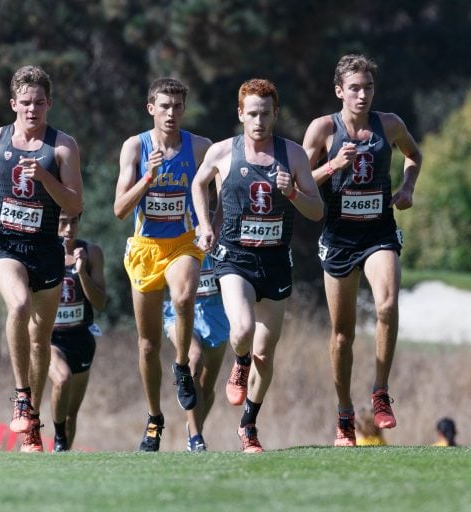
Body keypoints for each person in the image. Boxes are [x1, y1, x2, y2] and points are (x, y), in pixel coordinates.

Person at [0, 65, 82, 452]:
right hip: (2, 243)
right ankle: (21, 395)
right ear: (13, 104)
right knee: (18, 304)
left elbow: (75, 203)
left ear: (49, 104)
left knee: (40, 341)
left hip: (46, 248)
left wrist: (45, 178)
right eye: (25, 103)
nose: (32, 109)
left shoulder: (62, 146)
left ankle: (33, 421)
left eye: (39, 103)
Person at [192, 78, 324, 453]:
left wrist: (293, 192)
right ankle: (239, 361)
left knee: (266, 355)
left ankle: (248, 425)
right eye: (252, 114)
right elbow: (198, 185)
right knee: (243, 329)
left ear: (275, 114)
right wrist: (204, 225)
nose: (259, 121)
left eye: (266, 114)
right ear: (240, 114)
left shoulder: (294, 155)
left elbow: (317, 210)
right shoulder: (222, 152)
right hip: (234, 257)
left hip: (276, 262)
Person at [302, 54, 422, 447]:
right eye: (354, 88)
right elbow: (302, 183)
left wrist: (406, 188)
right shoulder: (323, 129)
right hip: (338, 240)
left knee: (387, 305)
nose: (362, 94)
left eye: (368, 87)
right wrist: (333, 165)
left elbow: (413, 155)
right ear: (339, 91)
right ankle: (343, 414)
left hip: (379, 234)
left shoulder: (389, 124)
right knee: (342, 336)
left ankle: (381, 392)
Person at [114, 77, 212, 451]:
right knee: (146, 345)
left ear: (184, 110)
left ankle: (183, 366)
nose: (171, 113)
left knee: (185, 296)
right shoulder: (135, 148)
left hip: (183, 244)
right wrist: (148, 177)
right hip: (145, 248)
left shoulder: (200, 147)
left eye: (177, 107)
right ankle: (154, 418)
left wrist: (209, 227)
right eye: (164, 106)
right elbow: (120, 209)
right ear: (150, 108)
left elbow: (221, 190)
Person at [48, 211, 106, 452]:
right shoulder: (43, 252)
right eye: (62, 222)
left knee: (71, 414)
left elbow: (101, 302)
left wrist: (82, 273)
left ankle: (62, 462)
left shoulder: (91, 252)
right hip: (50, 338)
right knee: (62, 379)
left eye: (73, 221)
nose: (68, 228)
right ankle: (58, 436)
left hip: (81, 338)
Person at [163, 252, 229, 452]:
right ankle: (195, 437)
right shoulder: (180, 230)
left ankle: (194, 429)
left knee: (206, 390)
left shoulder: (222, 230)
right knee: (194, 357)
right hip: (181, 313)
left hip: (217, 314)